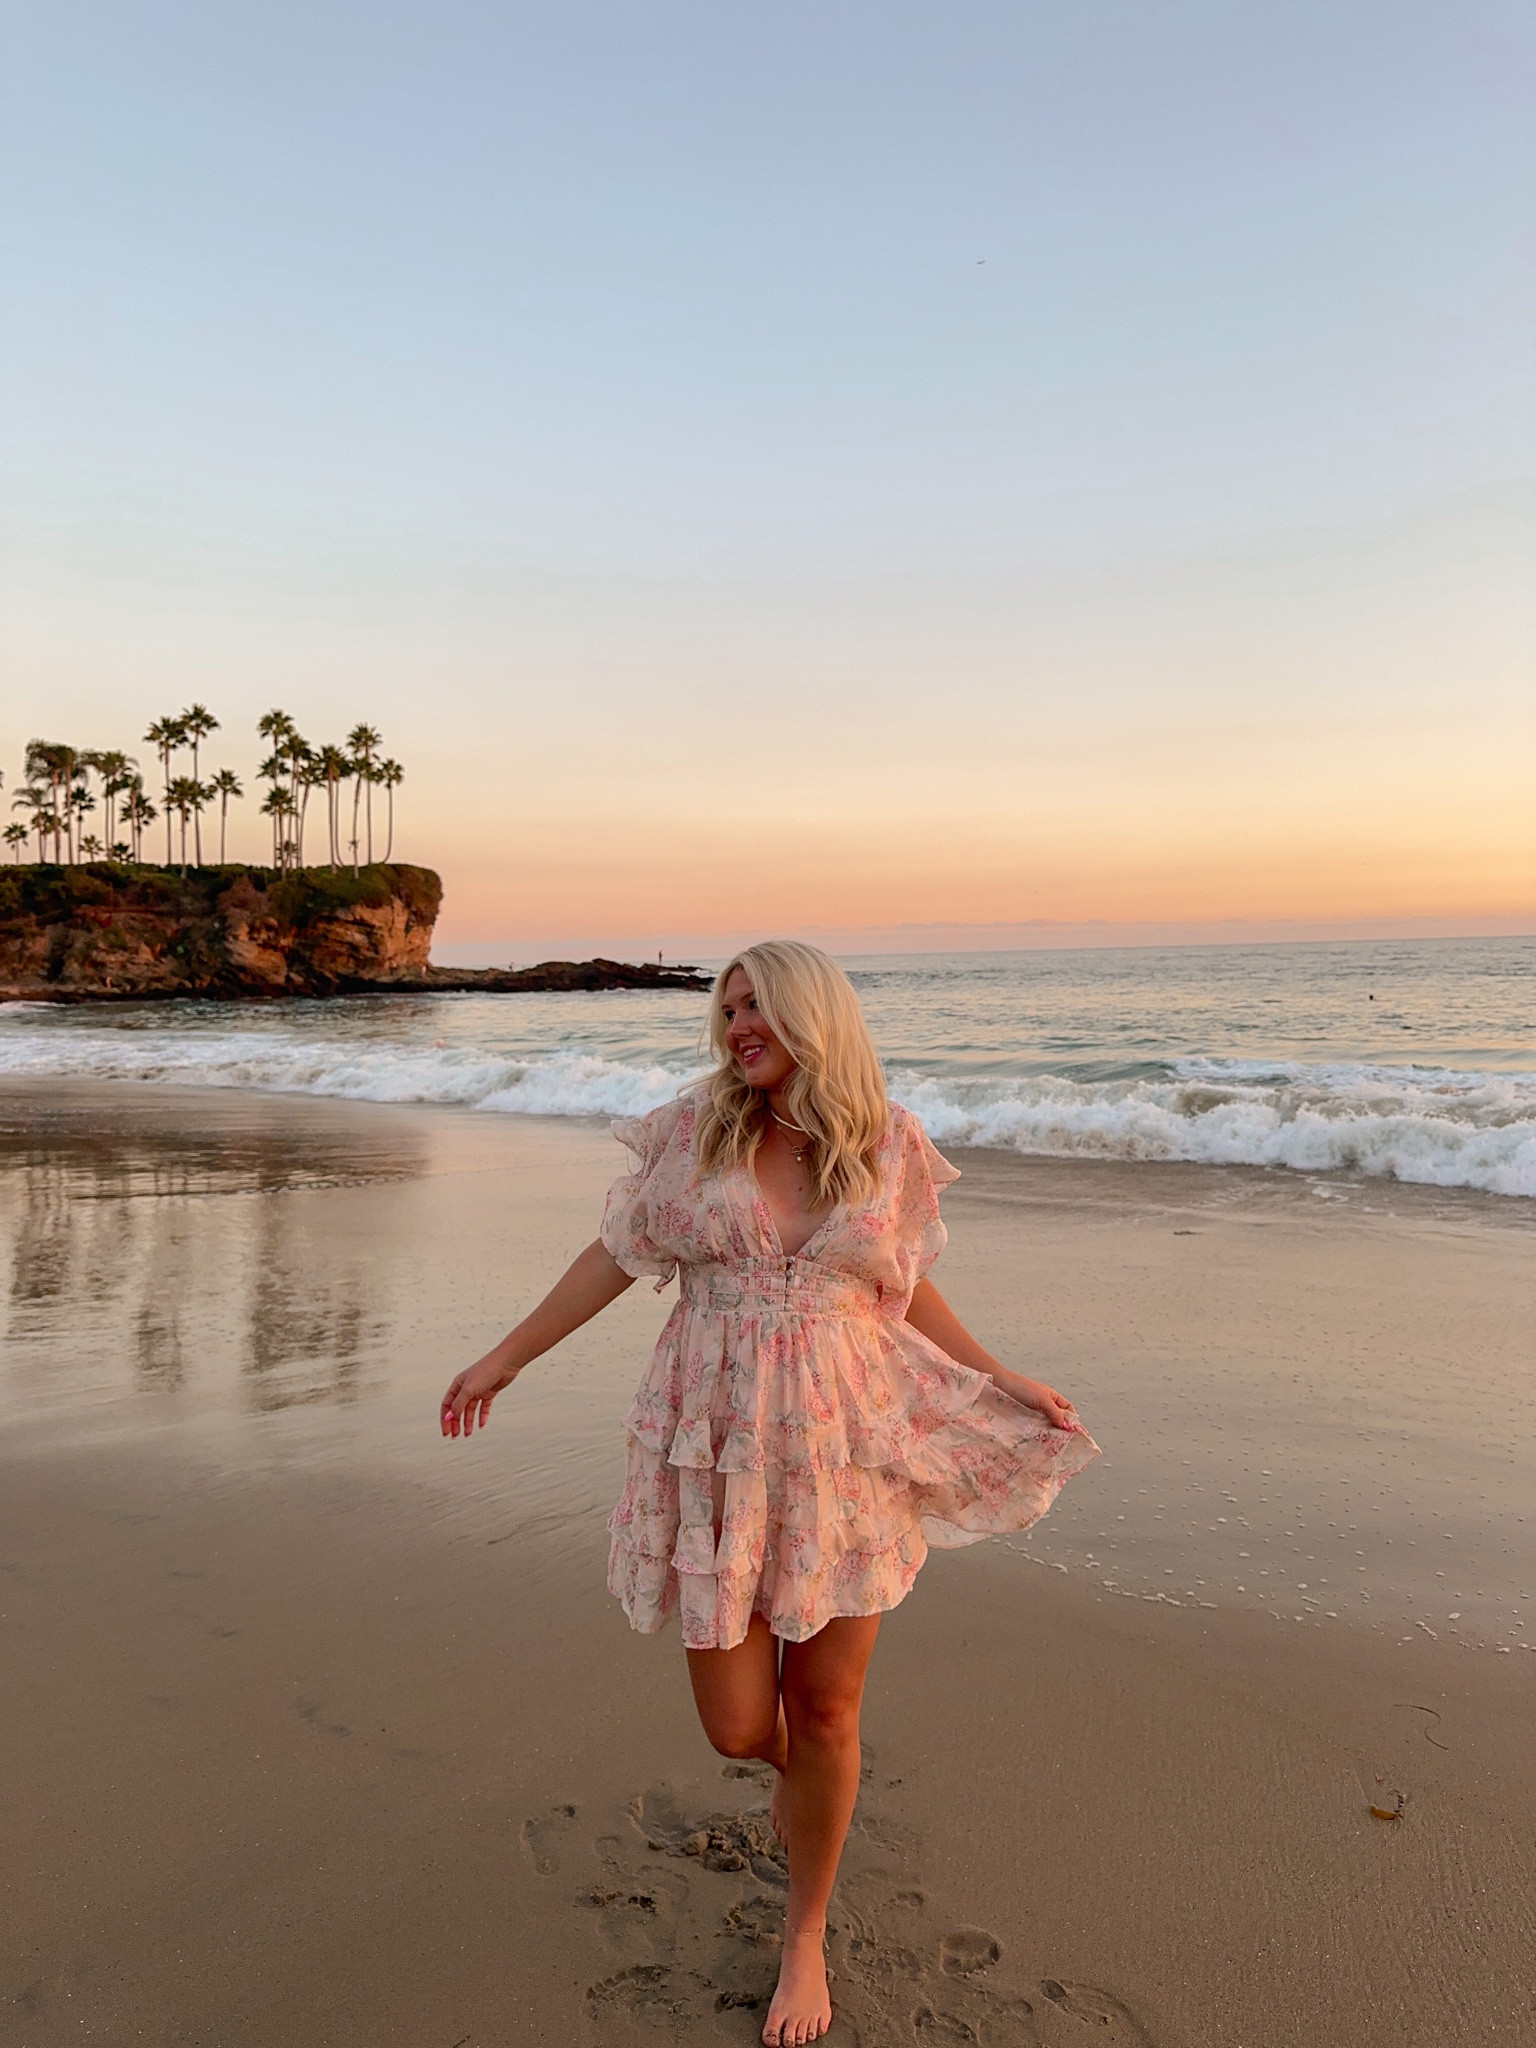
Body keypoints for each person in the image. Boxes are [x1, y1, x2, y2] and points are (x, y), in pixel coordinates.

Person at [441, 940, 1099, 2046]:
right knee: (745, 1724)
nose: (739, 1022)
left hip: (849, 1447)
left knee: (829, 1709)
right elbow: (614, 1253)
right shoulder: (697, 1130)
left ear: (815, 1014)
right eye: (729, 1005)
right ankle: (817, 1790)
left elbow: (903, 1279)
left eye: (760, 1004)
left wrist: (1001, 1375)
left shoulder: (883, 1139)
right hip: (719, 1447)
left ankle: (806, 1931)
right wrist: (508, 1354)